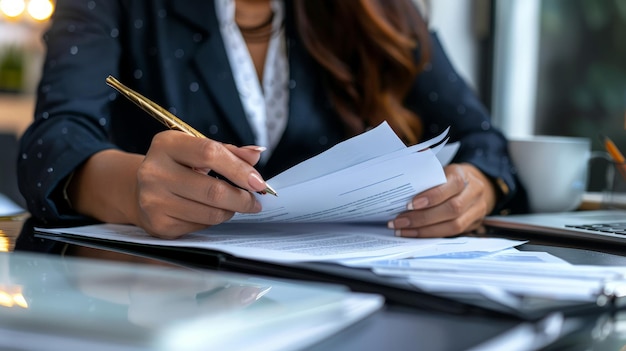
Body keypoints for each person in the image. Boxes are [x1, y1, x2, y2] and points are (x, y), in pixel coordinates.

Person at [17, 0, 528, 250]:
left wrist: (477, 186)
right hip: (160, 302)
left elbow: (484, 141)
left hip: (346, 304)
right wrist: (133, 189)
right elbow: (52, 141)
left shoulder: (381, 12)